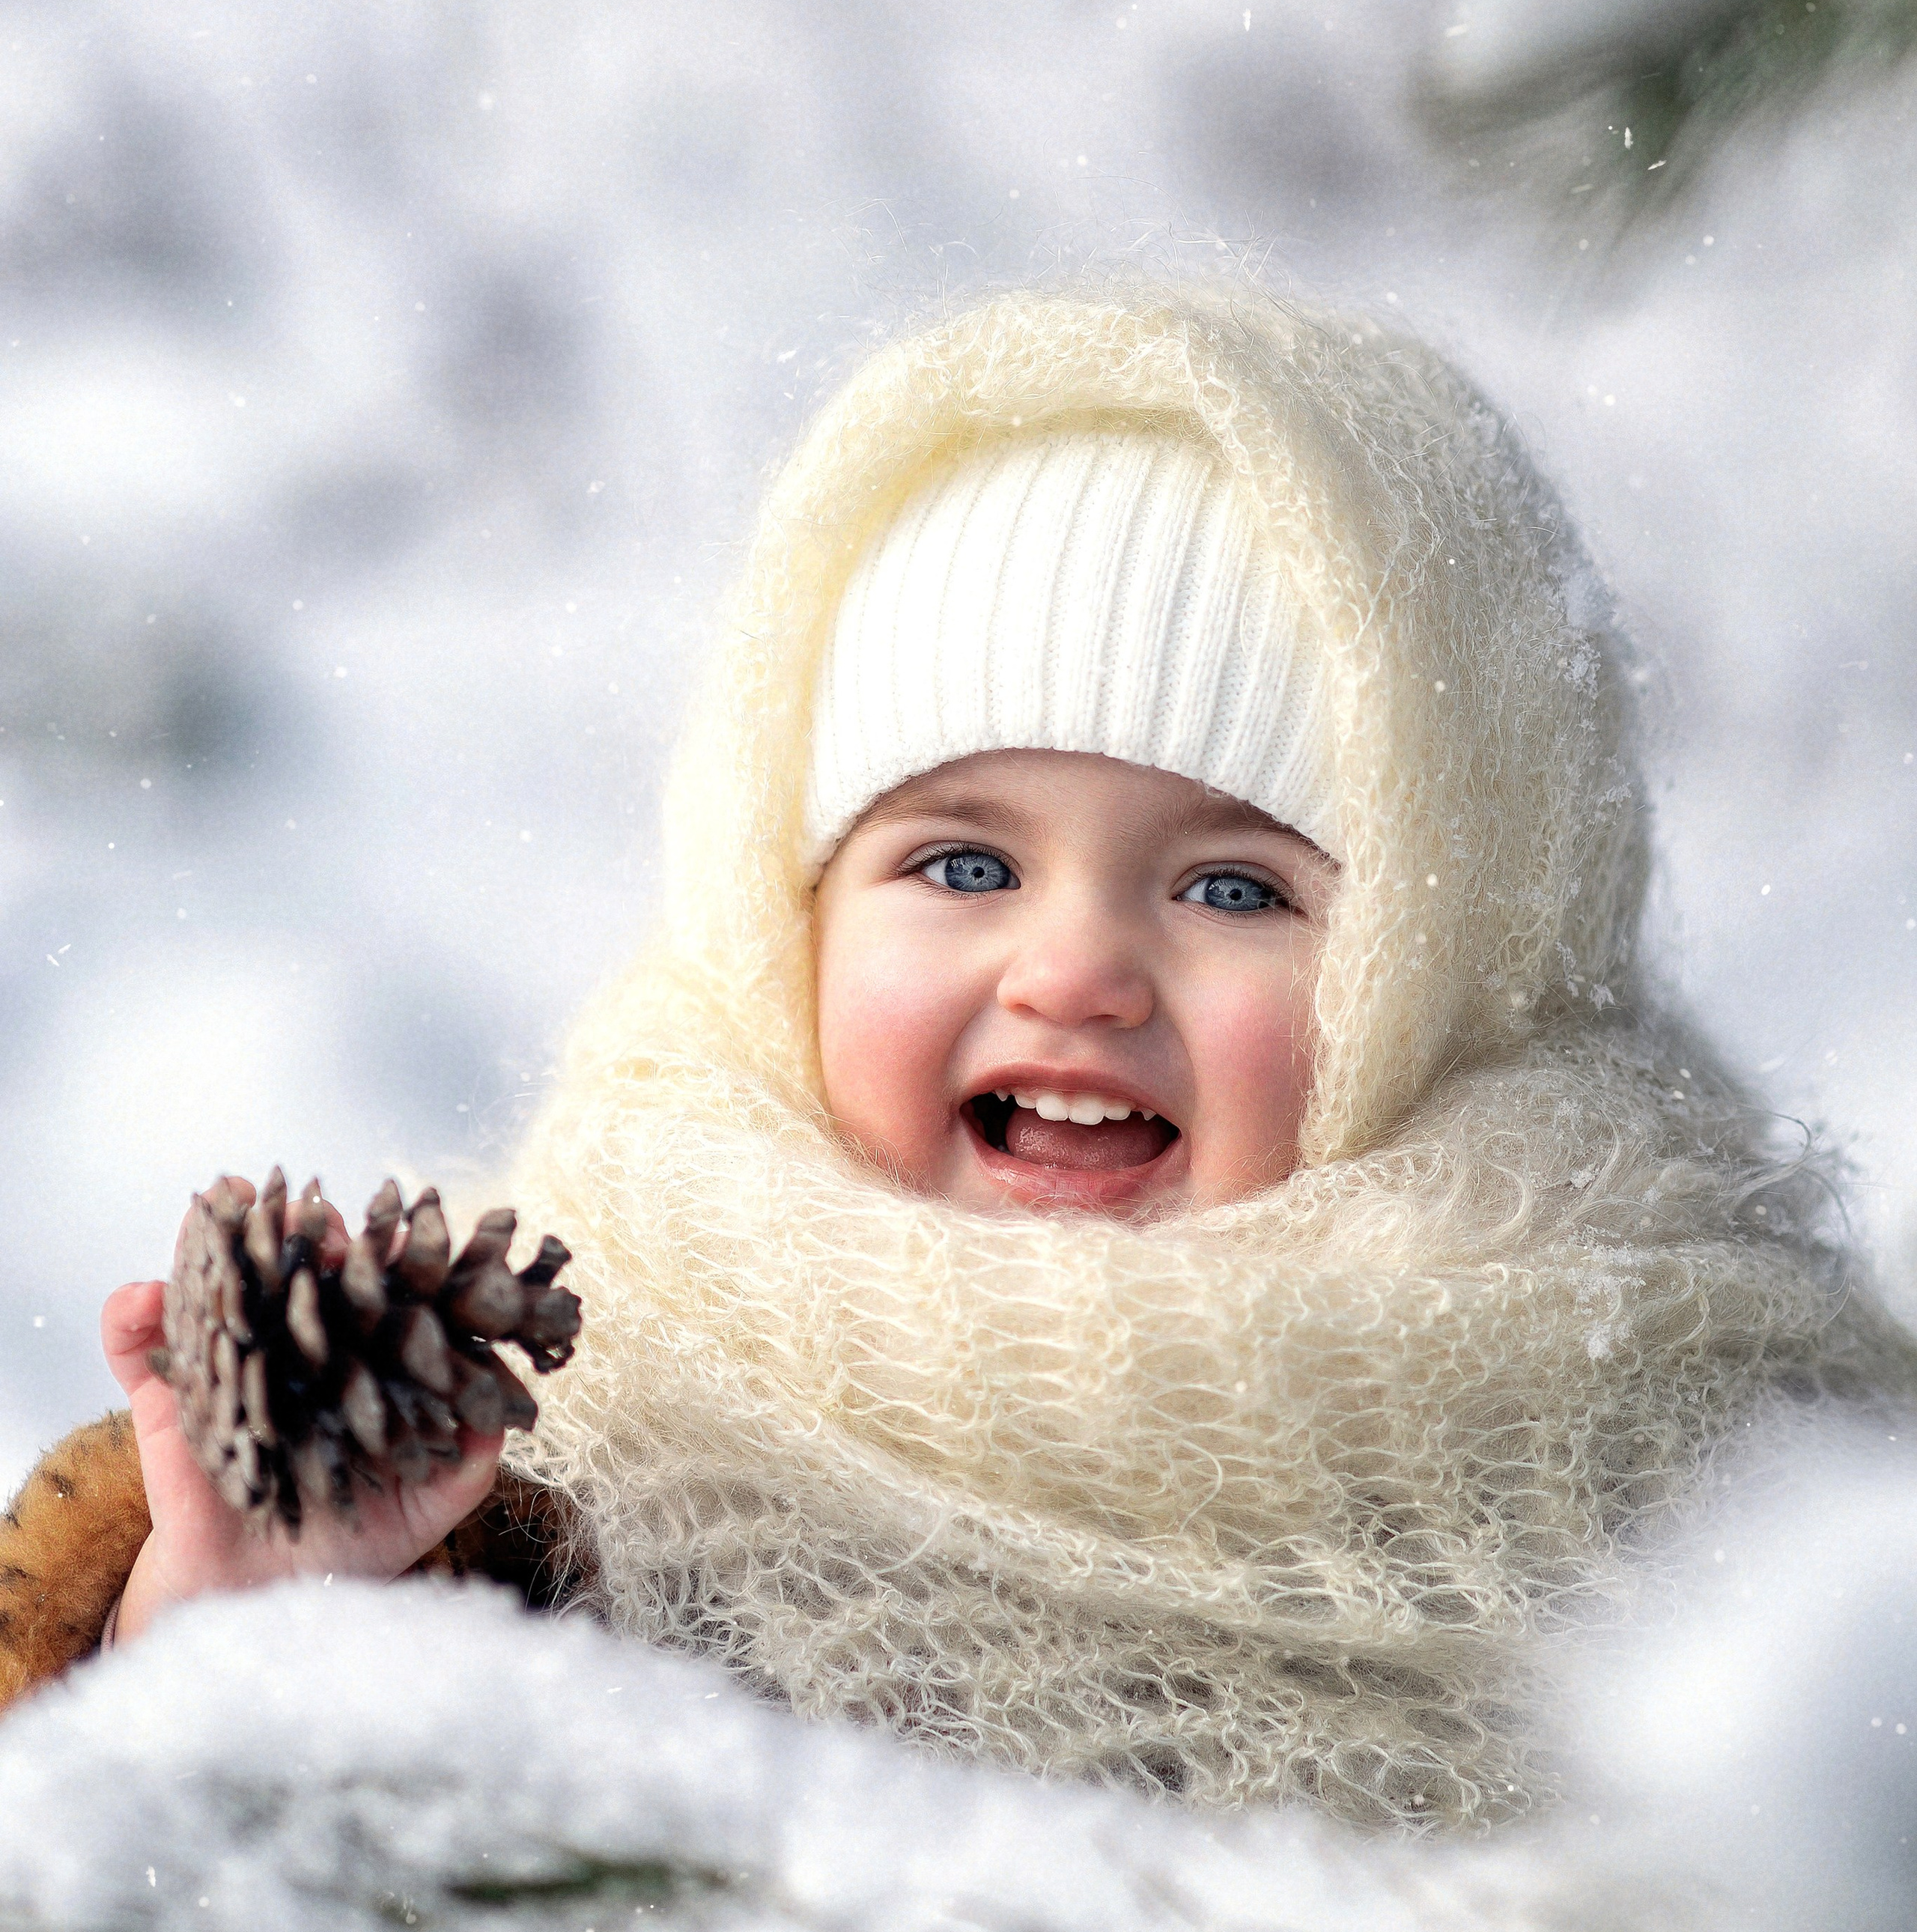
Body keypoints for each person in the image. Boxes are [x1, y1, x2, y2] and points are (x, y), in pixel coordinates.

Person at [3, 282, 1908, 1820]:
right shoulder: (546, 1440)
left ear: (1463, 963)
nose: (1073, 970)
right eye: (963, 864)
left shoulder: (1725, 1497)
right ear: (788, 914)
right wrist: (245, 1632)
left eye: (1234, 887)